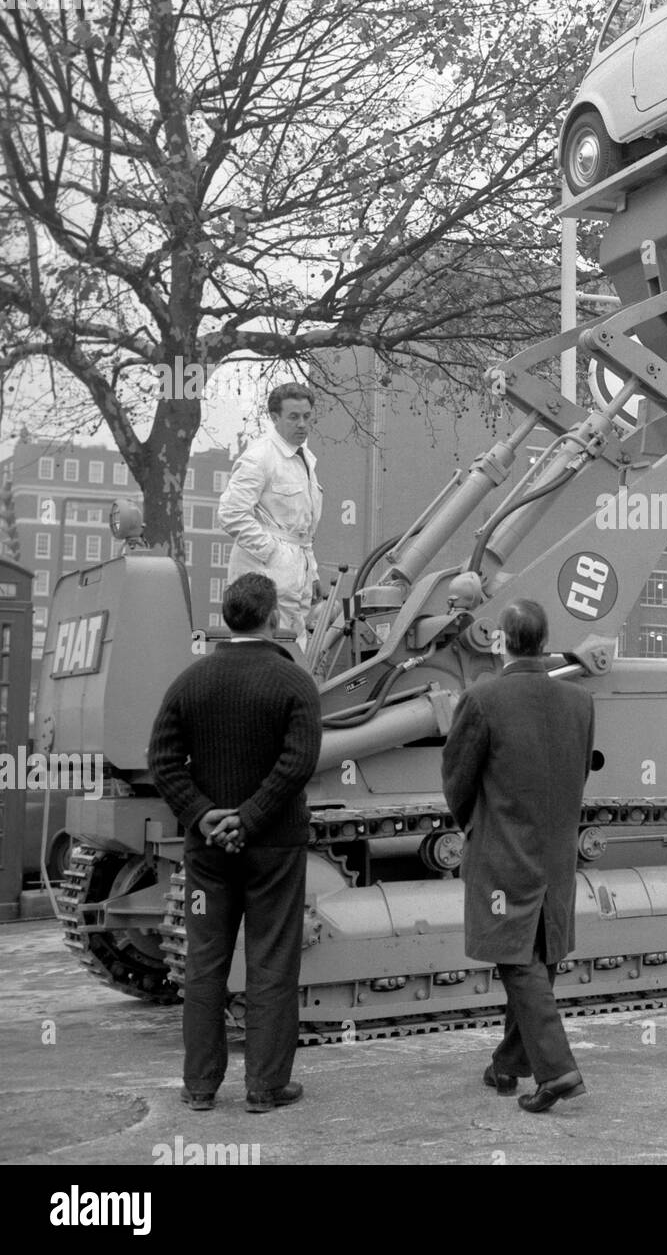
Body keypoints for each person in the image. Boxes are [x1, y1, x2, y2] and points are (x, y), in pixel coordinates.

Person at [147, 573, 322, 1114]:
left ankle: (199, 1087)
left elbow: (162, 761)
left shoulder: (190, 681)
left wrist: (203, 817)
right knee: (271, 963)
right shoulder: (294, 683)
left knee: (205, 964)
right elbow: (297, 764)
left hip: (208, 858)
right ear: (273, 618)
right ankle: (266, 1088)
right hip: (274, 849)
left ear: (227, 619)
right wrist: (250, 818)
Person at [441, 599, 594, 1114]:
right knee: (540, 954)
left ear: (501, 641)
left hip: (504, 850)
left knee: (516, 959)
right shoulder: (579, 702)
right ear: (546, 640)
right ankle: (509, 1065)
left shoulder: (482, 698)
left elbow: (457, 778)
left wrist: (470, 825)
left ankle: (558, 1071)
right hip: (555, 854)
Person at [218, 384, 323, 642]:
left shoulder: (305, 459)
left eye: (307, 416)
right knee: (264, 647)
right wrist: (273, 553)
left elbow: (301, 527)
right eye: (293, 417)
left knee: (294, 645)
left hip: (297, 571)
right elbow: (231, 513)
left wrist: (314, 572)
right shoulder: (260, 457)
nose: (302, 424)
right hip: (264, 575)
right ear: (275, 418)